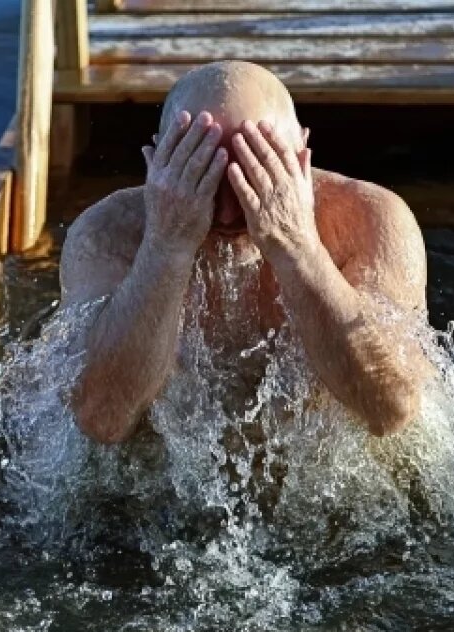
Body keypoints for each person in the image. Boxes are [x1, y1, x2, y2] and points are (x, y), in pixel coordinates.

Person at [59, 61, 428, 444]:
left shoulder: (372, 220)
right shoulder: (106, 235)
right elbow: (102, 420)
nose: (229, 214)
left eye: (253, 175)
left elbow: (391, 411)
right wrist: (165, 247)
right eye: (205, 176)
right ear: (160, 162)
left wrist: (298, 248)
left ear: (300, 152)